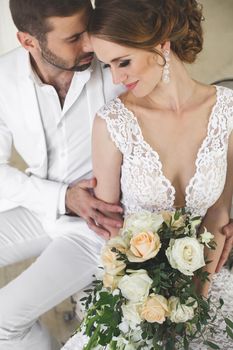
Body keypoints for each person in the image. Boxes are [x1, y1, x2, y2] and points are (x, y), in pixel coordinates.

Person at [62, 0, 233, 348]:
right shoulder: (112, 123)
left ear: (161, 43)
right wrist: (151, 305)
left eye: (123, 62)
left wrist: (191, 304)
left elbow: (218, 214)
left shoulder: (227, 111)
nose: (116, 78)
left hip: (207, 281)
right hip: (137, 293)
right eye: (108, 66)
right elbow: (113, 233)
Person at [0, 0, 126, 349]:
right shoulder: (2, 78)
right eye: (73, 38)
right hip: (41, 209)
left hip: (97, 226)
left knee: (1, 322)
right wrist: (61, 197)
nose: (89, 44)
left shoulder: (115, 63)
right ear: (29, 42)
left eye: (89, 29)